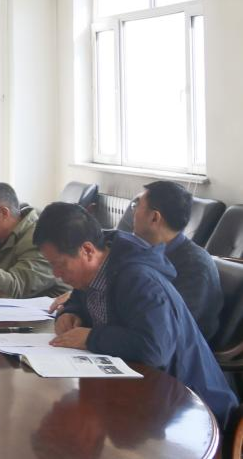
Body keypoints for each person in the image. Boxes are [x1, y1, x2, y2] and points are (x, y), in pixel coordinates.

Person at [33, 202, 236, 427]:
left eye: (60, 265)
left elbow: (154, 349)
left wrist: (90, 337)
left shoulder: (139, 279)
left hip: (191, 407)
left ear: (87, 251)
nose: (56, 274)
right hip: (140, 393)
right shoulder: (93, 270)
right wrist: (70, 313)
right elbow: (79, 299)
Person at [131, 181, 223, 341]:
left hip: (177, 350)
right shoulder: (143, 250)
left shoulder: (195, 266)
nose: (133, 213)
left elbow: (170, 326)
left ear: (154, 217)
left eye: (136, 206)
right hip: (141, 338)